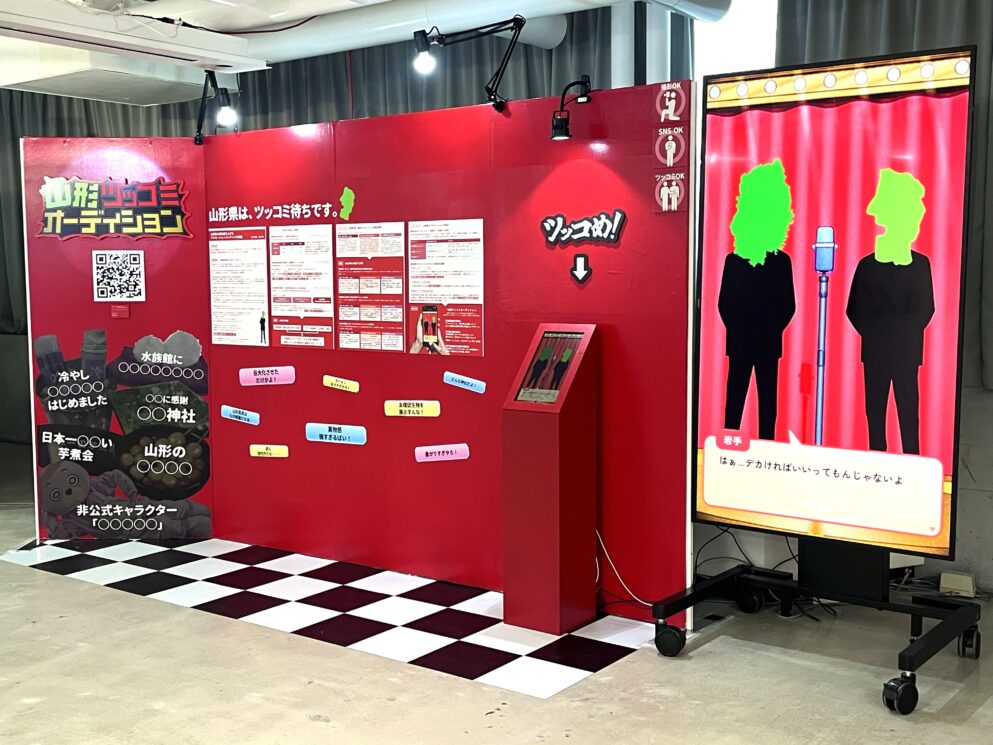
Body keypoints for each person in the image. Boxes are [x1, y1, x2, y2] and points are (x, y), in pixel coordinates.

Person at [846, 168, 934, 454]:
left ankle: (912, 462)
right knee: (875, 414)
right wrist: (881, 334)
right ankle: (877, 462)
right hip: (877, 352)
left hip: (905, 352)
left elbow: (927, 308)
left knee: (909, 413)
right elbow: (853, 309)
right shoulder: (867, 265)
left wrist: (897, 333)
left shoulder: (921, 265)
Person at [718, 159, 796, 441]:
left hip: (764, 342)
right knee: (735, 398)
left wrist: (764, 329)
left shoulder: (781, 261)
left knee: (767, 401)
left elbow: (788, 305)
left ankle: (766, 445)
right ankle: (730, 444)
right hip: (747, 341)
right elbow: (724, 304)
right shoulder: (734, 260)